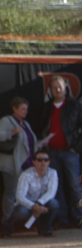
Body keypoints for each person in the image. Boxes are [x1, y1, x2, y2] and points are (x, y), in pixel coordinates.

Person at [41, 75, 82, 227]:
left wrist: (76, 147)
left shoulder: (75, 106)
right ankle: (61, 219)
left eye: (60, 87)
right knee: (56, 186)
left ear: (65, 88)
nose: (57, 90)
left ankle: (81, 218)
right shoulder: (46, 107)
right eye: (54, 87)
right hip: (51, 153)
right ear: (50, 90)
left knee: (75, 185)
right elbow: (41, 127)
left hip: (70, 152)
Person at [0, 97, 38, 229]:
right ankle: (6, 222)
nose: (25, 111)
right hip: (11, 164)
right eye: (23, 108)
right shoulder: (6, 121)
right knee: (11, 193)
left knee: (23, 193)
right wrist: (11, 133)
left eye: (27, 109)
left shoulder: (25, 124)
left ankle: (19, 222)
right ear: (14, 108)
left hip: (26, 164)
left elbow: (29, 143)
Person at [2, 150, 59, 237]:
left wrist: (39, 204)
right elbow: (20, 197)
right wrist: (33, 206)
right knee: (21, 212)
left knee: (54, 204)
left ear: (49, 162)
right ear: (34, 162)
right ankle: (8, 228)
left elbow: (51, 193)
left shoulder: (53, 173)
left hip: (41, 204)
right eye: (39, 160)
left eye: (45, 160)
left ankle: (45, 228)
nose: (43, 162)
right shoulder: (26, 175)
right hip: (26, 206)